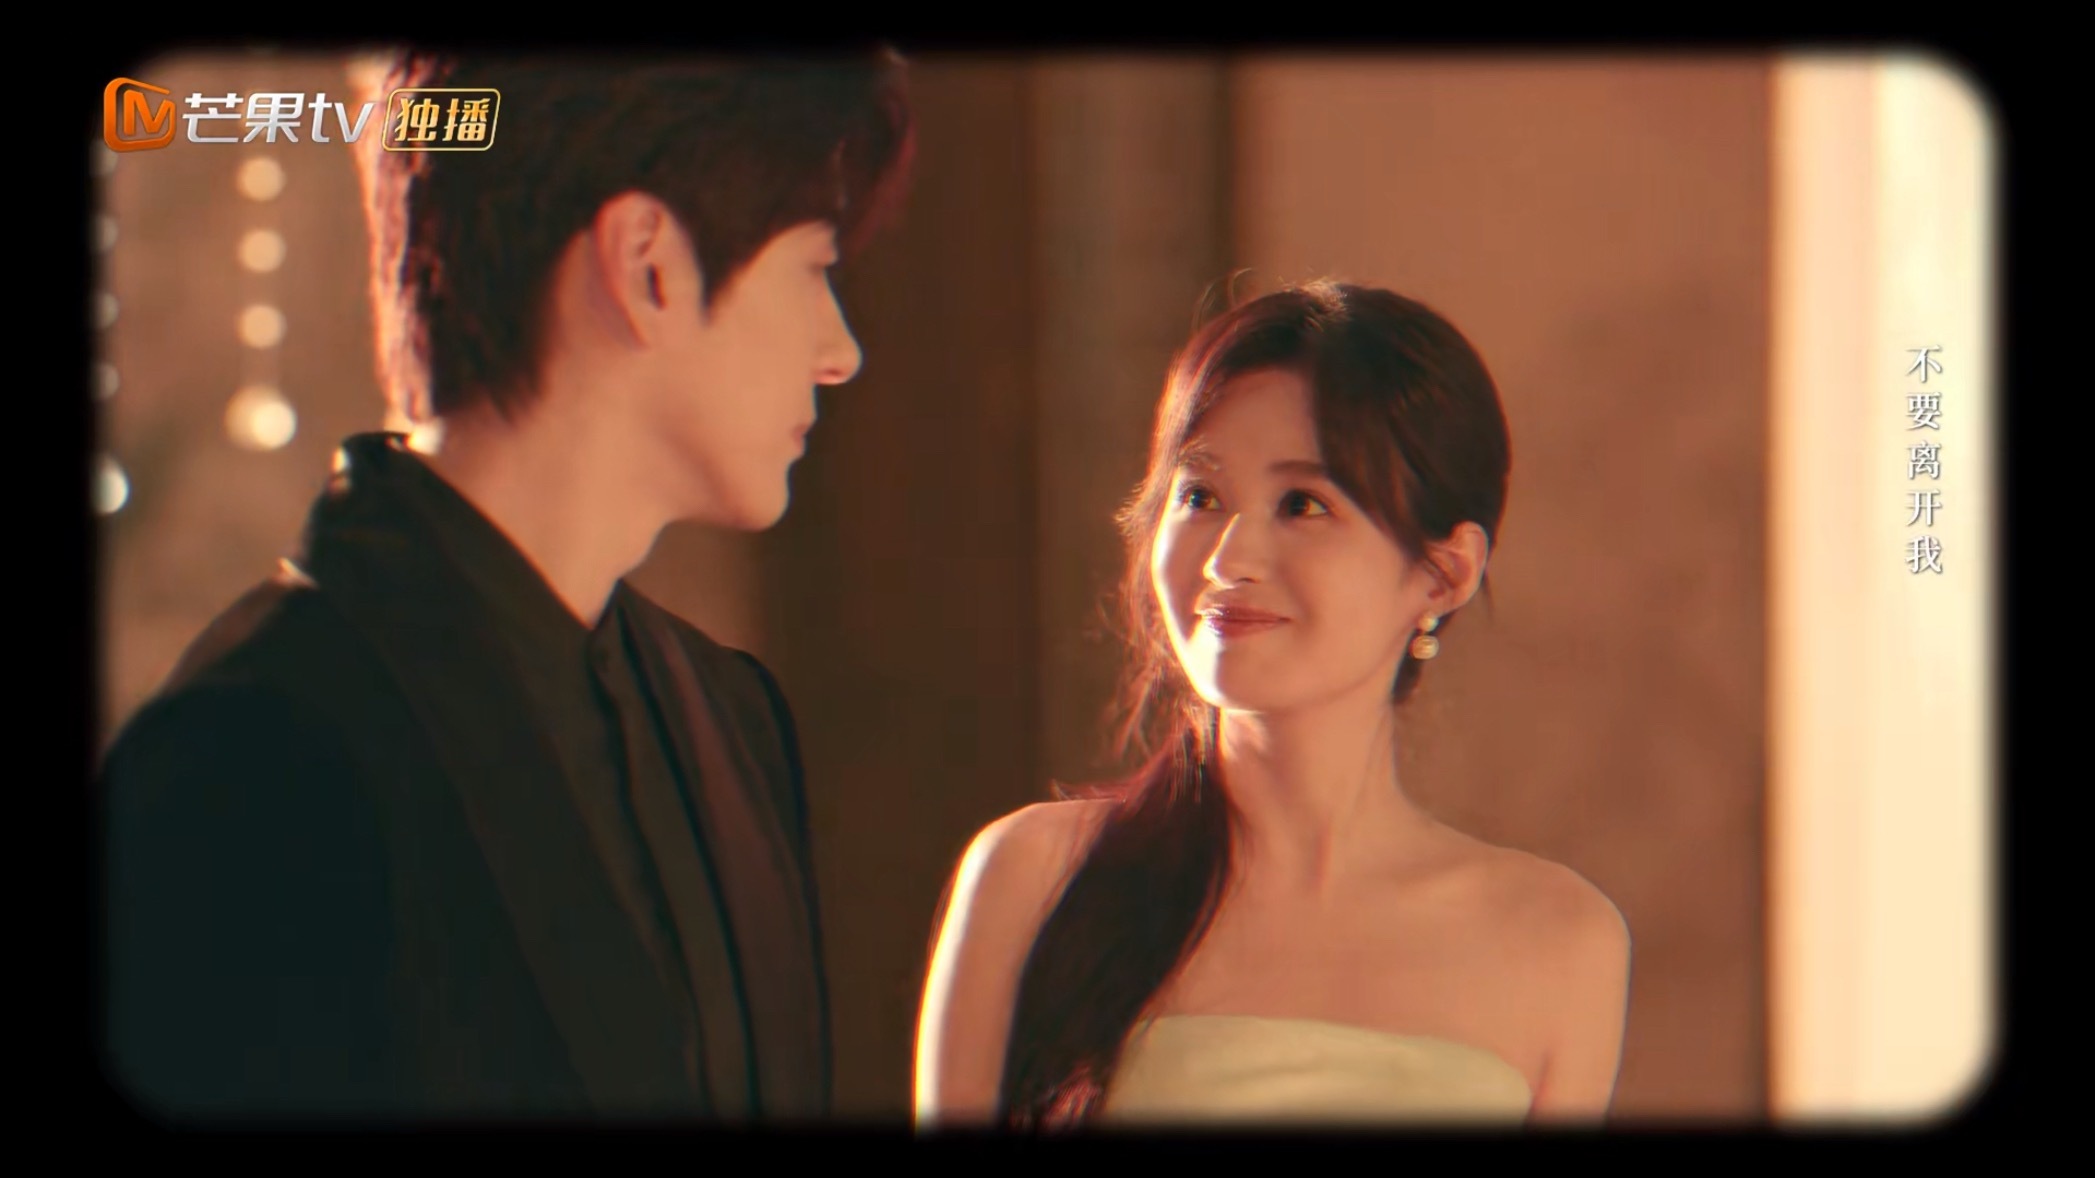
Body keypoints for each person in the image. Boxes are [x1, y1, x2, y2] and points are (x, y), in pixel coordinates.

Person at [99, 48, 914, 1122]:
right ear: (648, 265)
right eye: (813, 267)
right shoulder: (248, 754)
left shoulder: (733, 721)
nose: (839, 350)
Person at [914, 281, 1631, 1129]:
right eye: (1199, 497)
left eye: (1303, 505)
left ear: (1443, 575)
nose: (1228, 559)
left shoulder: (1558, 939)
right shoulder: (1037, 877)